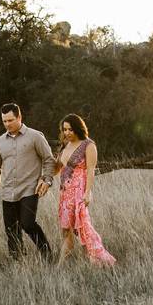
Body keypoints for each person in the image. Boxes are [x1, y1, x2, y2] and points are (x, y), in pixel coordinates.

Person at [0, 103, 55, 261]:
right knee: (11, 231)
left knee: (28, 223)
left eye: (10, 120)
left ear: (19, 117)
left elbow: (49, 160)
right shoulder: (0, 142)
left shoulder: (35, 136)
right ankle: (17, 260)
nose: (7, 124)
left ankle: (47, 255)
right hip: (8, 191)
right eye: (4, 121)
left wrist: (47, 179)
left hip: (29, 189)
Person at [55, 114, 116, 266]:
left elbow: (90, 170)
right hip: (65, 193)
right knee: (66, 230)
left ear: (78, 128)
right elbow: (58, 167)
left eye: (70, 129)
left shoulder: (88, 145)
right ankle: (61, 266)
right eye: (65, 130)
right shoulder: (65, 144)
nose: (67, 133)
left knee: (82, 229)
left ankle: (99, 261)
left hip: (78, 193)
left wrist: (88, 192)